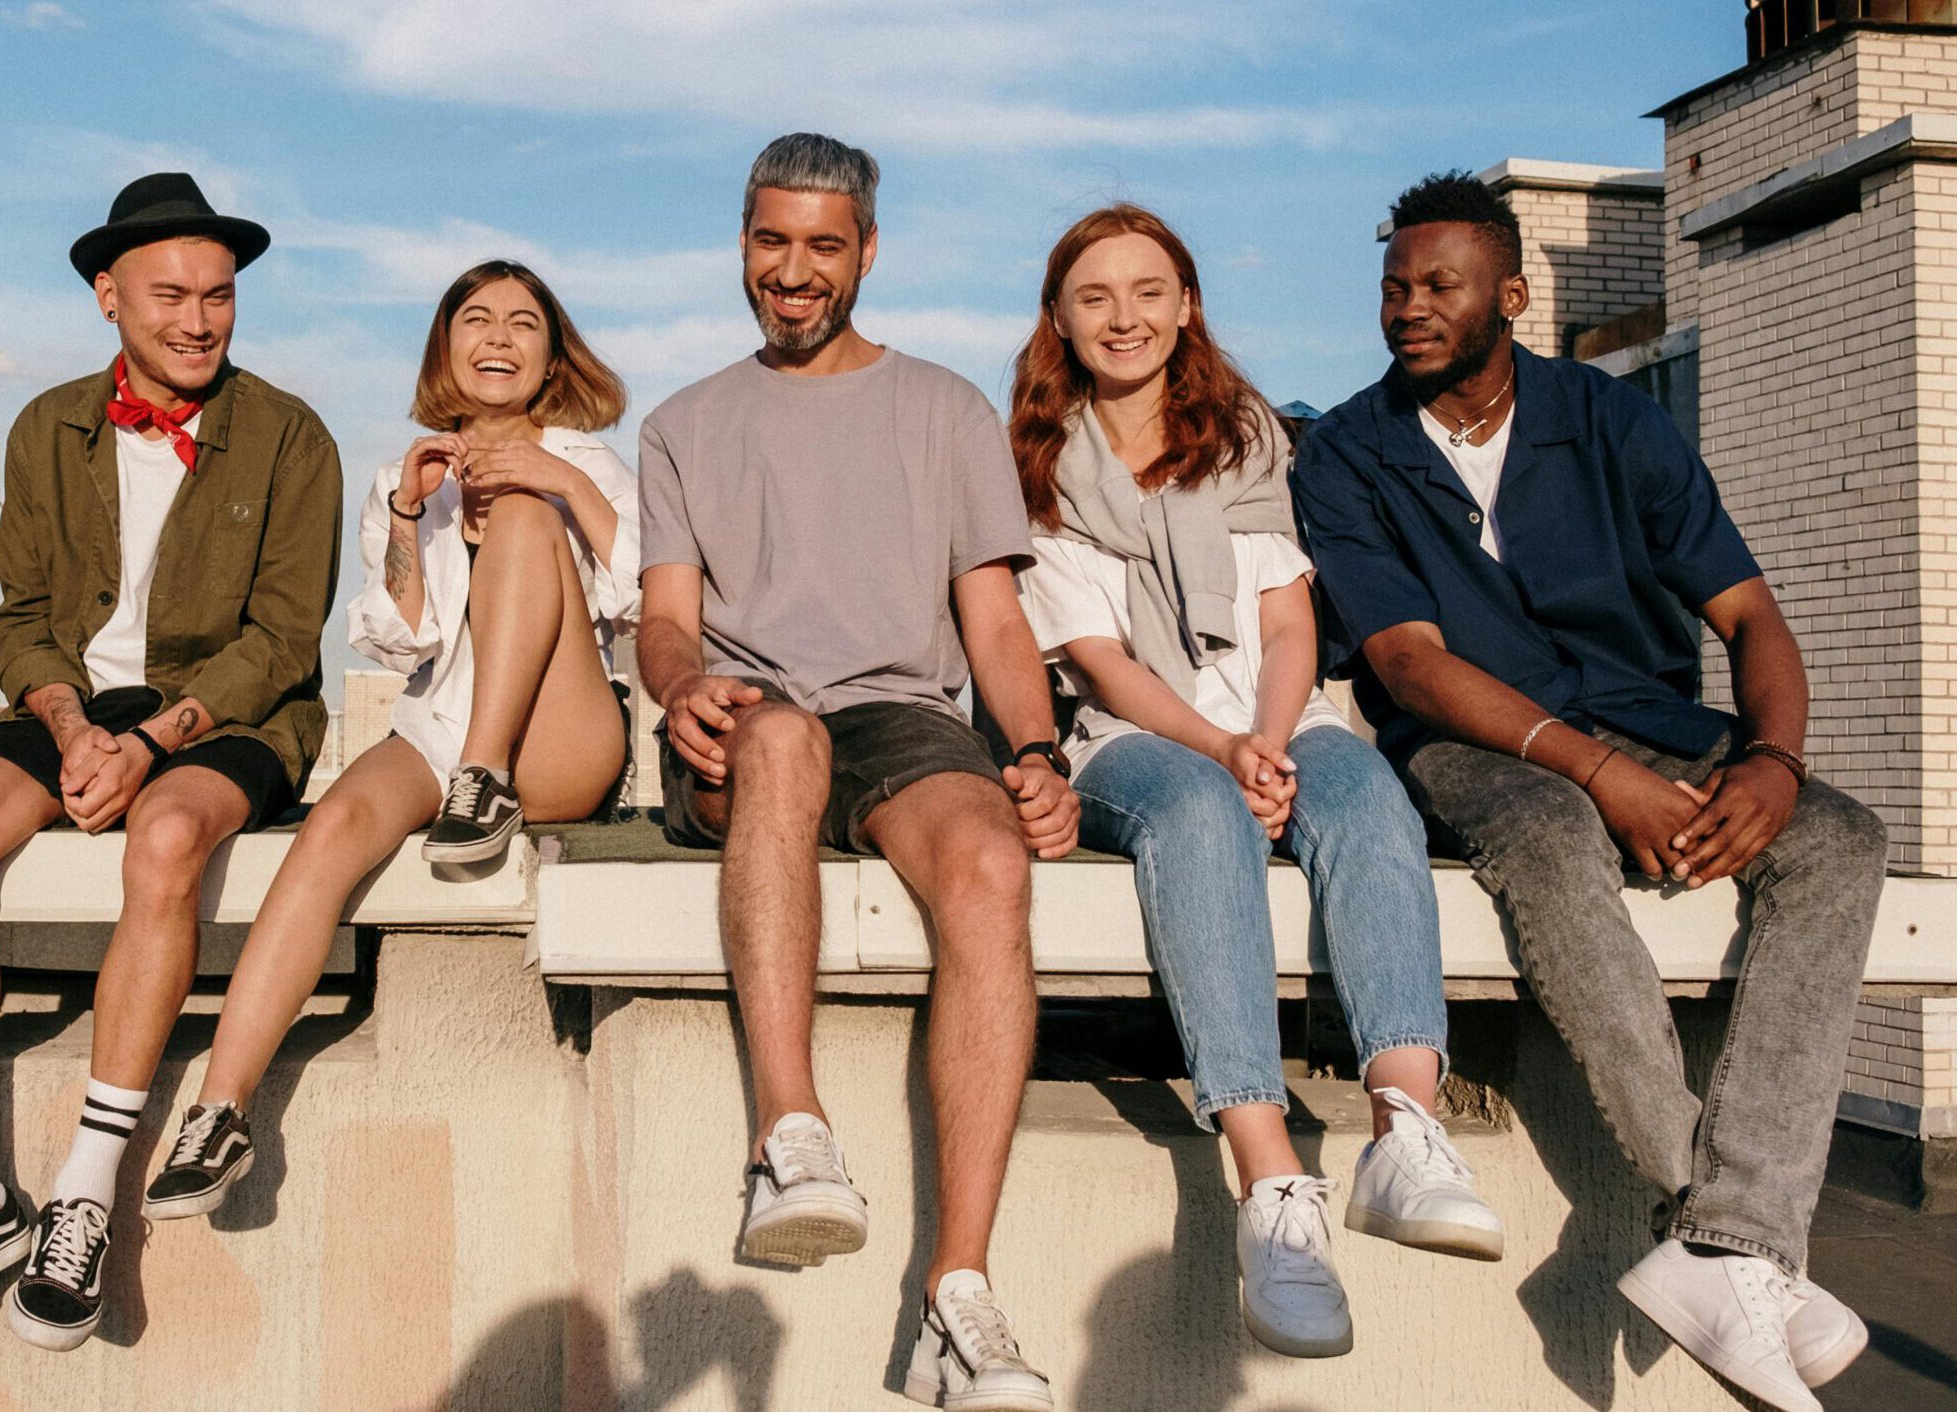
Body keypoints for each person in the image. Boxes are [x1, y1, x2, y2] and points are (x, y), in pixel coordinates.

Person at [1292, 171, 1884, 1412]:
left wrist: (1771, 764)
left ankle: (1731, 1240)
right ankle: (1726, 1234)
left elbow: (1749, 614)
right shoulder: (1344, 451)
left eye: (1438, 285)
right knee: (1553, 834)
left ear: (1509, 294)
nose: (1409, 306)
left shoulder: (1614, 425)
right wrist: (1601, 772)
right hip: (1473, 742)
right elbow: (1408, 661)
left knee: (1838, 838)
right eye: (1393, 286)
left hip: (1655, 720)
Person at [0, 173, 342, 1352]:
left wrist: (152, 739)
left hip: (230, 711)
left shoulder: (291, 434)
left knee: (167, 837)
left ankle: (84, 1186)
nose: (198, 319)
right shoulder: (45, 423)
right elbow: (17, 617)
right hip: (81, 704)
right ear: (107, 296)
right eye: (170, 294)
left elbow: (283, 637)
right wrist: (73, 730)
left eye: (218, 295)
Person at [1005, 204, 1503, 1361]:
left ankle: (1404, 1126)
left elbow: (1288, 624)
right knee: (1194, 817)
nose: (1124, 317)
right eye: (1094, 297)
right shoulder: (1038, 463)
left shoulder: (1243, 437)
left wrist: (1271, 740)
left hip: (1268, 712)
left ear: (1186, 304)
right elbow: (1102, 665)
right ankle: (1271, 1188)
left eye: (1147, 291)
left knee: (1369, 794)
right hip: (1134, 733)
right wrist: (1223, 756)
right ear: (1061, 321)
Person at [638, 132, 1073, 1412]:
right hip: (748, 715)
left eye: (823, 245)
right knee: (779, 736)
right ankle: (789, 1137)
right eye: (772, 241)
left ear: (865, 252)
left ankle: (958, 1295)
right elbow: (668, 616)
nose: (794, 269)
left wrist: (1036, 748)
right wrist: (678, 688)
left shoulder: (943, 408)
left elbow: (991, 621)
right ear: (742, 243)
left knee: (991, 859)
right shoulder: (683, 422)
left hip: (896, 710)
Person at [139, 258, 636, 1219]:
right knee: (331, 833)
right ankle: (220, 1109)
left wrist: (557, 479)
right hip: (440, 726)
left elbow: (647, 595)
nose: (498, 338)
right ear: (445, 346)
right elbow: (400, 636)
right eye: (476, 319)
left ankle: (484, 781)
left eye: (524, 323)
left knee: (528, 516)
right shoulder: (401, 479)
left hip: (559, 736)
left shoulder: (588, 461)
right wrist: (412, 511)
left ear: (551, 354)